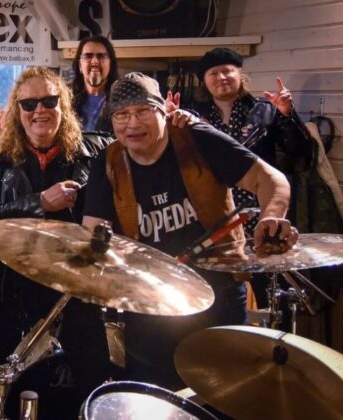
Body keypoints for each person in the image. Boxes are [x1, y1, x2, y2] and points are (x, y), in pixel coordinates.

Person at [83, 72, 298, 389]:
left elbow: (271, 180)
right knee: (153, 397)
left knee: (224, 395)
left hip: (218, 298)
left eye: (143, 111)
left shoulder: (197, 139)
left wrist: (271, 217)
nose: (132, 123)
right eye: (122, 115)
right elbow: (93, 233)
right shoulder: (108, 162)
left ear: (163, 111)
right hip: (150, 307)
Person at [0, 66, 115, 417]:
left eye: (49, 101)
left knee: (82, 402)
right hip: (9, 302)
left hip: (75, 303)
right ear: (17, 110)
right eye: (29, 103)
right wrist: (39, 203)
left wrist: (177, 124)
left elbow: (142, 146)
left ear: (63, 104)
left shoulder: (97, 149)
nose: (39, 111)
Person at [192, 47, 314, 306]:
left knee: (273, 300)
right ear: (204, 81)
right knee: (222, 299)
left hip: (262, 217)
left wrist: (287, 115)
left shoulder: (266, 110)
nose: (221, 77)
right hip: (217, 222)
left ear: (240, 75)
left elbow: (301, 156)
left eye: (227, 71)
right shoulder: (194, 116)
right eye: (213, 73)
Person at [71, 35, 119, 133]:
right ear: (80, 65)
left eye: (101, 56)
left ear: (110, 64)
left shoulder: (121, 100)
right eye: (88, 56)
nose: (95, 62)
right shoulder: (67, 100)